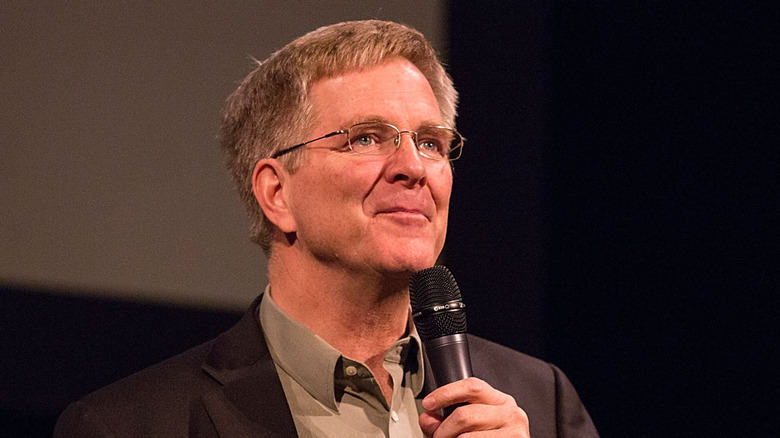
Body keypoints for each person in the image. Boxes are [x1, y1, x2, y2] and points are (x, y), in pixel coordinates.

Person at [54, 20, 599, 437]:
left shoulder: (540, 400)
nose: (414, 167)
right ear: (277, 193)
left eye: (430, 142)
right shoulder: (129, 426)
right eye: (365, 138)